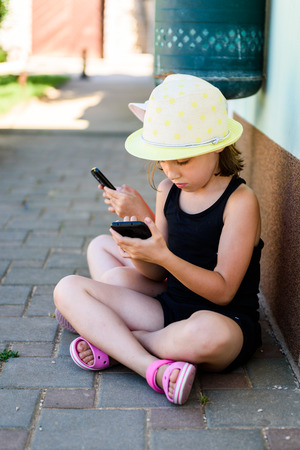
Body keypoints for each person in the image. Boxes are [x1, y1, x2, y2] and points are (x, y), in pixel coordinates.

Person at [54, 74, 263, 405]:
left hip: (223, 320)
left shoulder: (240, 202)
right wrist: (139, 243)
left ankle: (114, 341)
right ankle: (152, 368)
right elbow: (153, 275)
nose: (171, 172)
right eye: (163, 160)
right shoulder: (168, 191)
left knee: (209, 333)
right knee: (67, 287)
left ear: (217, 147)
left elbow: (223, 292)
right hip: (169, 309)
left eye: (182, 160)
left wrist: (163, 256)